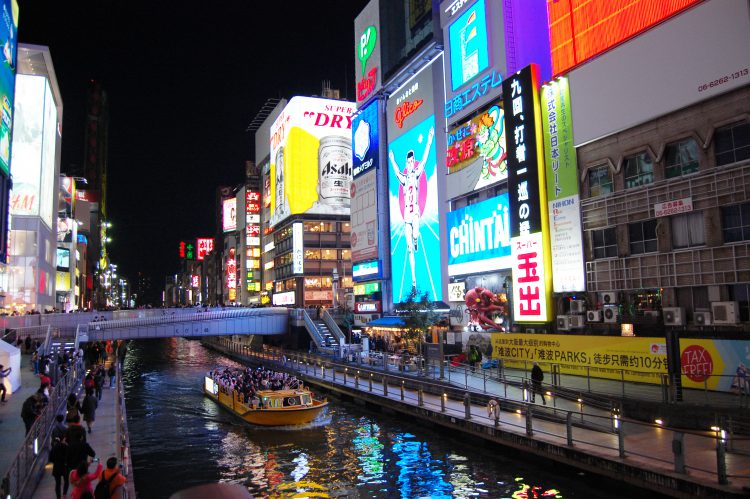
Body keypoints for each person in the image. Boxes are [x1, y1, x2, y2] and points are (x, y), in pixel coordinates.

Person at [388, 126, 434, 292]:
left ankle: (416, 239)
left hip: (415, 212)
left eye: (411, 160)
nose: (410, 163)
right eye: (407, 161)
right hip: (406, 215)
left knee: (415, 234)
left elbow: (426, 158)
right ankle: (414, 283)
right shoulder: (404, 177)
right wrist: (392, 159)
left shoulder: (416, 173)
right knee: (409, 251)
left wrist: (429, 141)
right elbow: (395, 172)